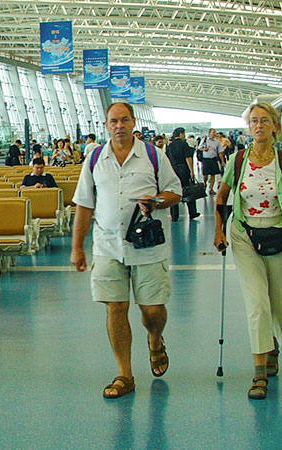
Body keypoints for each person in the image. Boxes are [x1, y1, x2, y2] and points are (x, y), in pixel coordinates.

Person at [70, 102, 182, 399]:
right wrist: (77, 247)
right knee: (115, 307)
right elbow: (84, 204)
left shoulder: (153, 156)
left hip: (147, 248)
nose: (119, 125)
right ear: (106, 125)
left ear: (133, 122)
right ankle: (125, 374)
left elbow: (176, 191)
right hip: (107, 246)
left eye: (124, 120)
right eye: (113, 121)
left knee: (152, 310)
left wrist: (157, 200)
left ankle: (155, 339)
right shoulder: (94, 158)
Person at [213, 101, 282, 401]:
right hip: (244, 235)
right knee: (257, 302)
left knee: (279, 301)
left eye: (264, 120)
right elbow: (222, 197)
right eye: (253, 121)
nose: (258, 126)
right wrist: (219, 230)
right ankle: (259, 371)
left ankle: (273, 344)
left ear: (274, 125)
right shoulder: (238, 160)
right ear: (248, 126)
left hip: (280, 233)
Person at [164, 129, 199, 221]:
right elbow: (188, 158)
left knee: (174, 191)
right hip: (183, 169)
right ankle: (192, 212)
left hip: (173, 169)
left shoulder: (169, 145)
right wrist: (192, 171)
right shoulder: (184, 144)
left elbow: (166, 159)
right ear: (181, 134)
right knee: (188, 190)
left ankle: (174, 215)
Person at [198, 128, 224, 195]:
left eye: (215, 132)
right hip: (206, 159)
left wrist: (222, 161)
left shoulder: (217, 142)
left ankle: (211, 189)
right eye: (213, 132)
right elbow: (199, 148)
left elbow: (220, 151)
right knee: (205, 174)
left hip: (213, 159)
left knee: (213, 174)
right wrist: (204, 149)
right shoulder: (204, 140)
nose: (214, 134)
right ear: (209, 133)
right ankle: (204, 184)